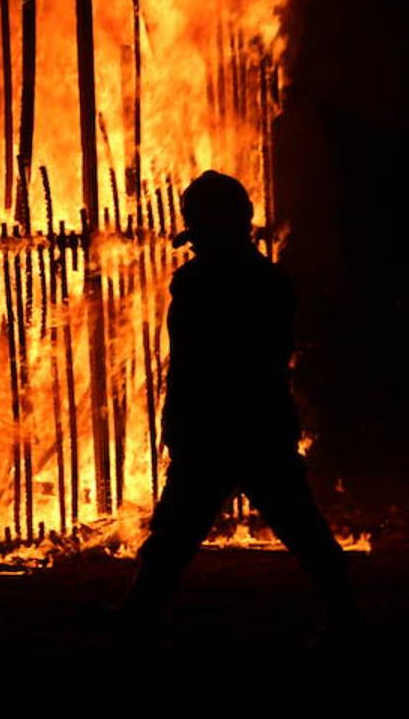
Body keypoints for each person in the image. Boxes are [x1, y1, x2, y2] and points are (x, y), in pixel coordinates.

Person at [117, 170, 357, 639]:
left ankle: (137, 619)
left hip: (221, 425)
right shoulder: (266, 282)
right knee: (286, 527)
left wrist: (182, 419)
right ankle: (344, 613)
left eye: (200, 227)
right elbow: (268, 353)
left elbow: (196, 361)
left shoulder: (201, 284)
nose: (196, 240)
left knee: (183, 532)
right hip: (255, 421)